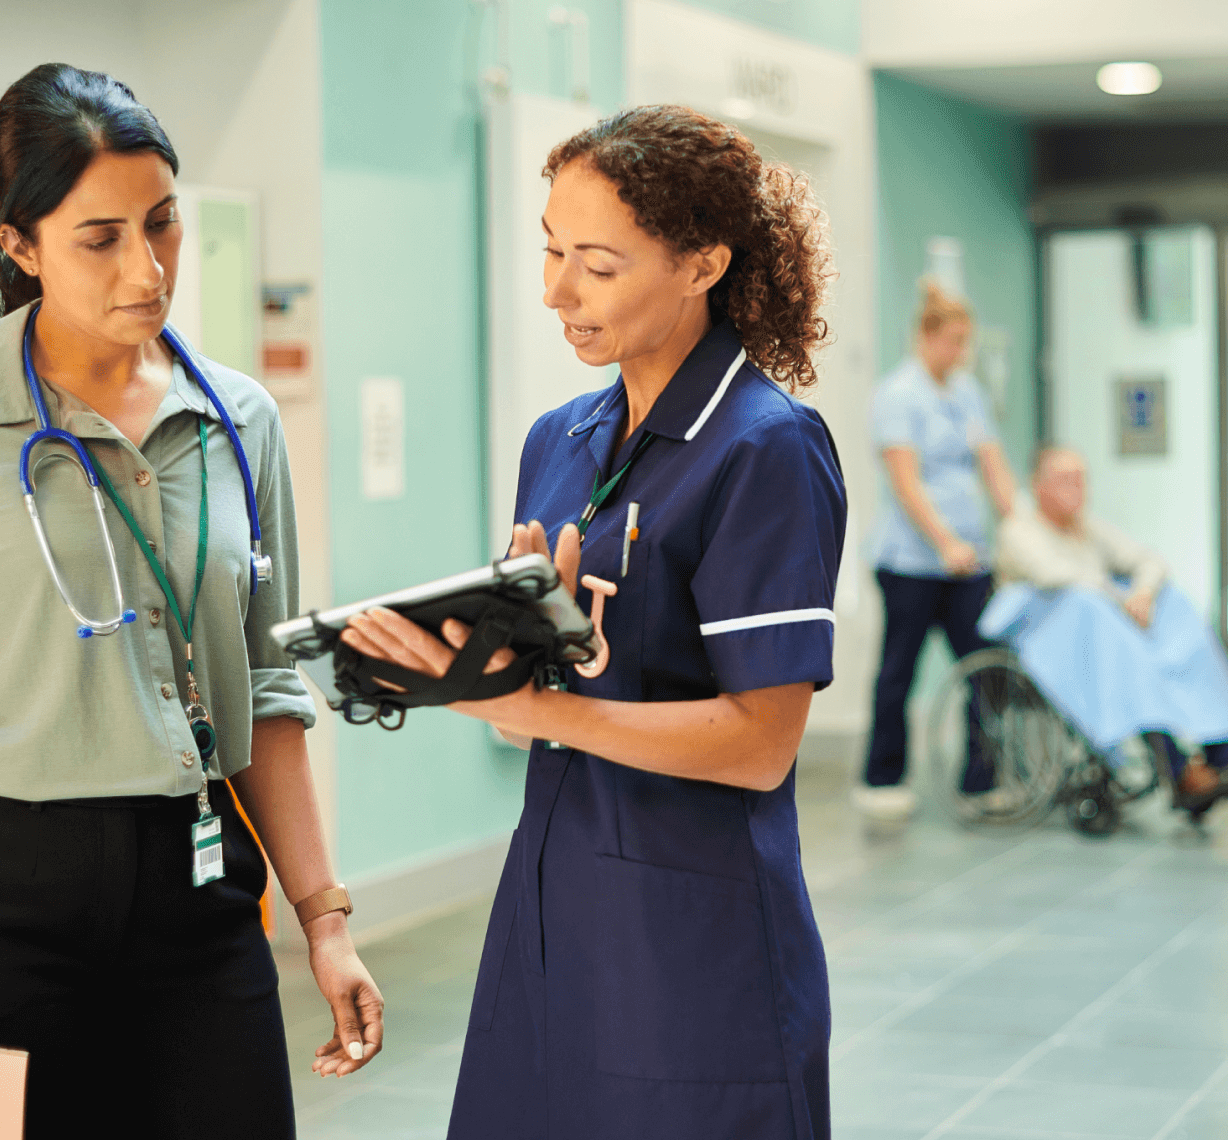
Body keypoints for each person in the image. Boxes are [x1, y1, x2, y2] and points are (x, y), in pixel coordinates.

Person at [0, 64, 379, 1140]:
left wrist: (323, 918)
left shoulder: (240, 419)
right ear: (20, 246)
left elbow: (263, 686)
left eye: (162, 223)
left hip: (197, 879)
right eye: (100, 235)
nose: (148, 266)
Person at [337, 105, 846, 1139]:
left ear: (702, 264)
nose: (555, 293)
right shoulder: (559, 439)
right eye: (550, 251)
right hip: (552, 904)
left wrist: (534, 701)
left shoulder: (765, 449)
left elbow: (761, 744)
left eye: (597, 266)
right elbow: (529, 722)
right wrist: (485, 667)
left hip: (694, 931)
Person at [993, 449, 1228, 821]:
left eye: (1081, 479)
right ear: (1037, 485)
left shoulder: (1088, 528)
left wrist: (1144, 593)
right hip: (1060, 647)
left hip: (1109, 638)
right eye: (1064, 479)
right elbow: (1055, 576)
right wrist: (1119, 599)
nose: (1076, 488)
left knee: (1179, 619)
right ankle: (1181, 770)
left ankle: (1225, 756)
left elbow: (1148, 560)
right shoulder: (1020, 531)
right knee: (1134, 657)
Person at [855, 282, 1019, 820]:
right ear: (925, 337)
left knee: (985, 666)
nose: (960, 352)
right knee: (899, 670)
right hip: (911, 564)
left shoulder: (966, 392)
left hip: (969, 561)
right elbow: (907, 483)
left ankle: (982, 779)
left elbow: (992, 466)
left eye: (965, 342)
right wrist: (945, 542)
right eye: (952, 341)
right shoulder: (899, 394)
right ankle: (883, 779)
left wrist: (1019, 528)